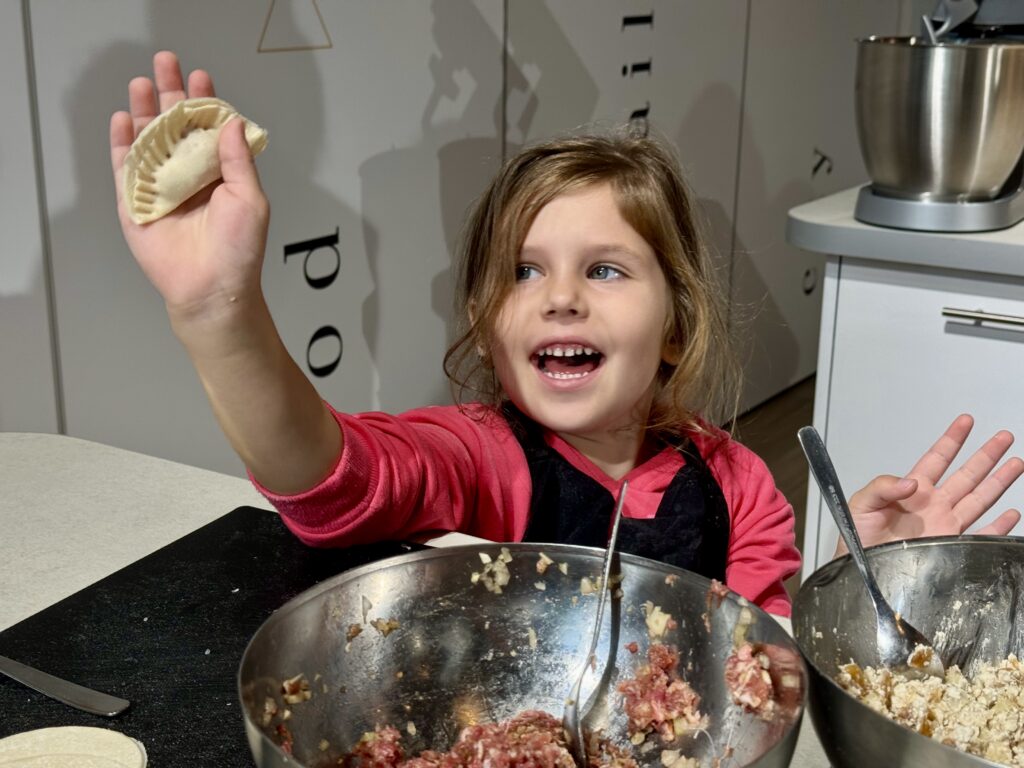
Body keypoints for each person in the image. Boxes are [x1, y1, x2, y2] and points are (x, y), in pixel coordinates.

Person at [110, 52, 1023, 617]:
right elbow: (326, 478)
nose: (559, 298)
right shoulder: (479, 458)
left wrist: (857, 585)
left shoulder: (740, 488)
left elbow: (761, 663)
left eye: (606, 270)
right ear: (487, 325)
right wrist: (219, 314)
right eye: (523, 271)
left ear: (676, 326)